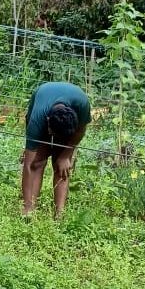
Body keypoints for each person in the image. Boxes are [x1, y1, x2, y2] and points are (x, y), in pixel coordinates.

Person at [22, 82, 91, 218]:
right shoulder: (38, 119)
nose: (53, 138)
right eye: (52, 133)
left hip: (69, 111)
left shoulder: (82, 105)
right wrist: (27, 206)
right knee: (37, 163)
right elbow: (28, 166)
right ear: (47, 121)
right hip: (42, 97)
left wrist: (66, 155)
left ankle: (59, 215)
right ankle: (30, 209)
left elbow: (80, 131)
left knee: (61, 167)